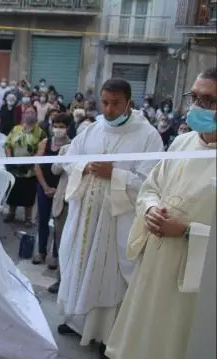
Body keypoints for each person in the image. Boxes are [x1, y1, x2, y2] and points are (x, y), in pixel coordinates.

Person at [105, 67, 217, 359]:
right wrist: (151, 209)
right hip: (155, 261)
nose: (197, 107)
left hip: (195, 277)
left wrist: (187, 231)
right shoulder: (182, 142)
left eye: (209, 100)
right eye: (194, 97)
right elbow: (151, 186)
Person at [56, 78, 165, 354]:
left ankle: (106, 334)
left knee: (109, 275)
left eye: (116, 103)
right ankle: (78, 321)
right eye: (105, 102)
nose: (109, 109)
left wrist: (114, 174)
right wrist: (85, 165)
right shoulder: (92, 129)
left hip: (117, 220)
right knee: (78, 265)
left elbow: (151, 182)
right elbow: (68, 158)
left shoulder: (148, 135)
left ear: (129, 102)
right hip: (85, 217)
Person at [33, 112, 71, 267]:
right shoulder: (45, 143)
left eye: (61, 127)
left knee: (58, 223)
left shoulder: (71, 146)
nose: (58, 130)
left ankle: (56, 255)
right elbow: (37, 165)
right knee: (42, 220)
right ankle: (41, 251)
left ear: (67, 128)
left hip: (61, 190)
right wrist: (45, 186)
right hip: (44, 187)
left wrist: (58, 189)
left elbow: (70, 170)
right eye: (55, 126)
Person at [3, 106, 46, 226]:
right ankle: (11, 214)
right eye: (27, 112)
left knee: (28, 195)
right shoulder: (16, 129)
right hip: (14, 167)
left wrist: (32, 161)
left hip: (29, 170)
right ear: (23, 114)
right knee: (12, 192)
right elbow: (7, 144)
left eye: (32, 112)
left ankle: (28, 218)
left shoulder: (40, 132)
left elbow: (42, 148)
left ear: (36, 115)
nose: (29, 114)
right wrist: (10, 159)